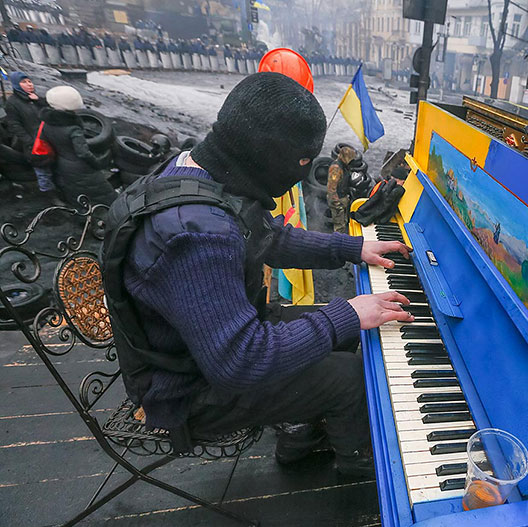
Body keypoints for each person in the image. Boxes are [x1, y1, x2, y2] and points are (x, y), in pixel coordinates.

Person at [101, 73, 414, 478]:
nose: (304, 173)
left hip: (199, 343)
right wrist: (347, 314)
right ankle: (358, 469)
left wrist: (351, 249)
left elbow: (268, 237)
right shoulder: (194, 234)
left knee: (349, 328)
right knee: (348, 377)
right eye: (303, 161)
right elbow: (239, 361)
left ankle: (298, 433)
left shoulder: (201, 169)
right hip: (185, 388)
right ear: (267, 155)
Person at [39, 86, 117, 207]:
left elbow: (46, 142)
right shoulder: (73, 128)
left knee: (76, 195)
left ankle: (83, 216)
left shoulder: (46, 123)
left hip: (62, 164)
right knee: (105, 194)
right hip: (81, 167)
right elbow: (83, 153)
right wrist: (97, 164)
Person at [4, 72, 57, 199]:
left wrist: (39, 101)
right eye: (24, 82)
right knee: (42, 170)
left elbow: (51, 112)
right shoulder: (12, 103)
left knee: (55, 165)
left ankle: (59, 188)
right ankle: (50, 196)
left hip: (49, 138)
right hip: (34, 142)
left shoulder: (34, 98)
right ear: (17, 84)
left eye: (29, 81)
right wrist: (30, 141)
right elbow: (15, 125)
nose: (29, 84)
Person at [327, 145, 357, 233]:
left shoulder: (344, 166)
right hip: (337, 199)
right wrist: (336, 203)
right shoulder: (336, 168)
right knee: (339, 226)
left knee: (344, 221)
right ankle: (338, 243)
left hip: (343, 197)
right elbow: (331, 188)